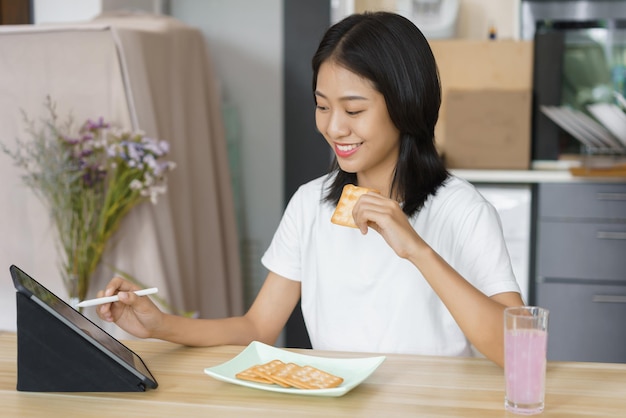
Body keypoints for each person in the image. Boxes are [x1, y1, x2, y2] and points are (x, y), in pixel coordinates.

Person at [97, 11, 524, 367]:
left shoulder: (462, 209)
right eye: (322, 106)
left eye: (354, 109)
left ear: (405, 103)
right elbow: (257, 328)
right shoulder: (310, 204)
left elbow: (517, 350)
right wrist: (160, 325)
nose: (334, 127)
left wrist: (416, 249)